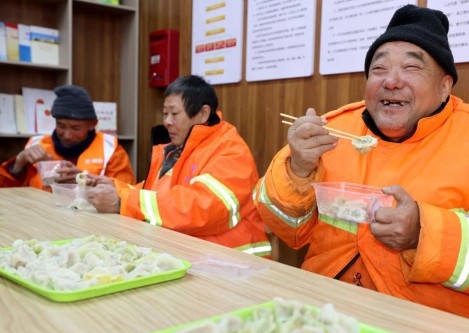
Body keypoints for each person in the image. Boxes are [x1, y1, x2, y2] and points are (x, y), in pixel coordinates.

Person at [254, 4, 469, 325]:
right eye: (378, 69)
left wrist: (423, 233)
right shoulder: (332, 131)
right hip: (326, 313)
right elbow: (291, 233)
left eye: (411, 67)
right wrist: (297, 169)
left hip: (434, 329)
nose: (391, 81)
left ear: (445, 86)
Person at [86, 75, 271, 258]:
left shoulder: (231, 151)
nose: (167, 121)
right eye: (165, 113)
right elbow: (157, 195)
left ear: (202, 114)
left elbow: (202, 208)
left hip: (233, 267)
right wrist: (115, 188)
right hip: (192, 257)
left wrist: (123, 201)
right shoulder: (176, 149)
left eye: (174, 114)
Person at [0, 85, 136, 189]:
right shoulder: (37, 144)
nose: (67, 135)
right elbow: (8, 192)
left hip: (88, 222)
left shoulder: (110, 150)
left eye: (75, 128)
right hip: (39, 218)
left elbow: (124, 192)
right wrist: (17, 164)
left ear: (92, 124)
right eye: (61, 126)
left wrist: (86, 182)